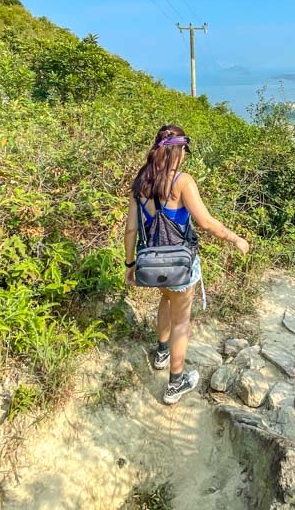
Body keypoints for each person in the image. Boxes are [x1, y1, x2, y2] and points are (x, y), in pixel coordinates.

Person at [124, 125, 250, 405]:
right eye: (183, 151)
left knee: (165, 302)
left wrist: (130, 263)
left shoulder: (140, 181)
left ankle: (161, 352)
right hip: (180, 264)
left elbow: (131, 230)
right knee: (181, 321)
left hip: (152, 263)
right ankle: (174, 384)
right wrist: (236, 238)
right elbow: (205, 222)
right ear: (178, 151)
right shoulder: (182, 182)